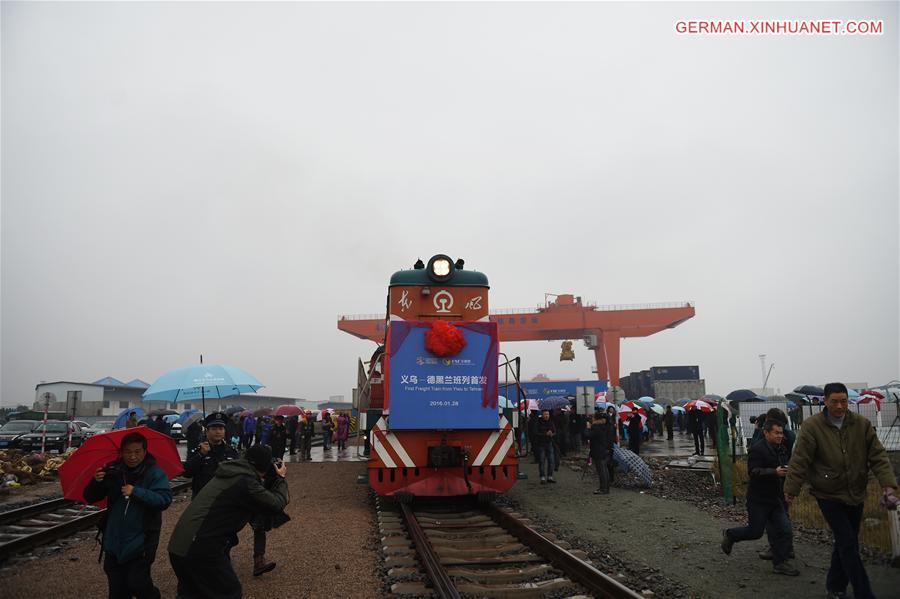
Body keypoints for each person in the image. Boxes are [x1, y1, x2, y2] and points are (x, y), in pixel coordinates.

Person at [784, 382, 898, 599]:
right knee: (847, 542)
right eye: (834, 401)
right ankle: (864, 592)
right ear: (825, 402)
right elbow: (800, 460)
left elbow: (878, 456)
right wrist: (791, 491)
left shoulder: (861, 424)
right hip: (827, 494)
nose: (839, 406)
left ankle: (835, 587)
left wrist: (888, 485)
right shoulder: (812, 426)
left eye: (843, 401)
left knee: (847, 541)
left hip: (856, 492)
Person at [168, 445, 290, 599]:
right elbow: (275, 504)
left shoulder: (230, 473)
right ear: (265, 466)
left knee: (193, 593)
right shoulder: (245, 482)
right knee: (229, 592)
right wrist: (280, 478)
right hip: (201, 550)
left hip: (180, 547)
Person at [83, 431, 173, 599]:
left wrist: (136, 491)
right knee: (117, 588)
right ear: (121, 452)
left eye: (137, 452)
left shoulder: (154, 473)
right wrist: (96, 481)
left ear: (145, 452)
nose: (132, 456)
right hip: (114, 540)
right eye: (128, 452)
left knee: (137, 583)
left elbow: (165, 500)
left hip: (142, 540)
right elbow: (90, 497)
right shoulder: (112, 471)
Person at [721, 419, 798, 576]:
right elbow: (753, 472)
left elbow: (784, 469)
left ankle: (780, 563)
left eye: (781, 433)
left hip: (775, 499)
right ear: (766, 433)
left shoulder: (781, 448)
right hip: (758, 499)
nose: (779, 436)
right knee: (755, 532)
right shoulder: (757, 449)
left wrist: (787, 486)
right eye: (776, 433)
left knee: (785, 530)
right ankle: (731, 534)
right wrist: (773, 472)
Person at [183, 412, 239, 499]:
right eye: (214, 429)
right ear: (207, 431)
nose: (218, 432)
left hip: (224, 497)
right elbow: (187, 473)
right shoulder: (198, 450)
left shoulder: (231, 451)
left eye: (221, 429)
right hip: (202, 497)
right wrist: (201, 455)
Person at [588, 411, 614, 494]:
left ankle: (603, 489)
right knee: (604, 469)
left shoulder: (597, 427)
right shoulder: (605, 426)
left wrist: (587, 428)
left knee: (601, 470)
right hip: (605, 449)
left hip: (599, 450)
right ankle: (606, 488)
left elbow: (587, 435)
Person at [533, 409, 557, 484]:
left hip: (549, 443)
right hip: (541, 444)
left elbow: (554, 431)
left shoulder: (551, 422)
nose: (547, 416)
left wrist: (552, 434)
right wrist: (544, 434)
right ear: (542, 415)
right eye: (545, 414)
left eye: (548, 414)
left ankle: (550, 476)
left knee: (551, 460)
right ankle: (542, 477)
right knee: (542, 461)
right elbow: (535, 432)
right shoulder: (538, 422)